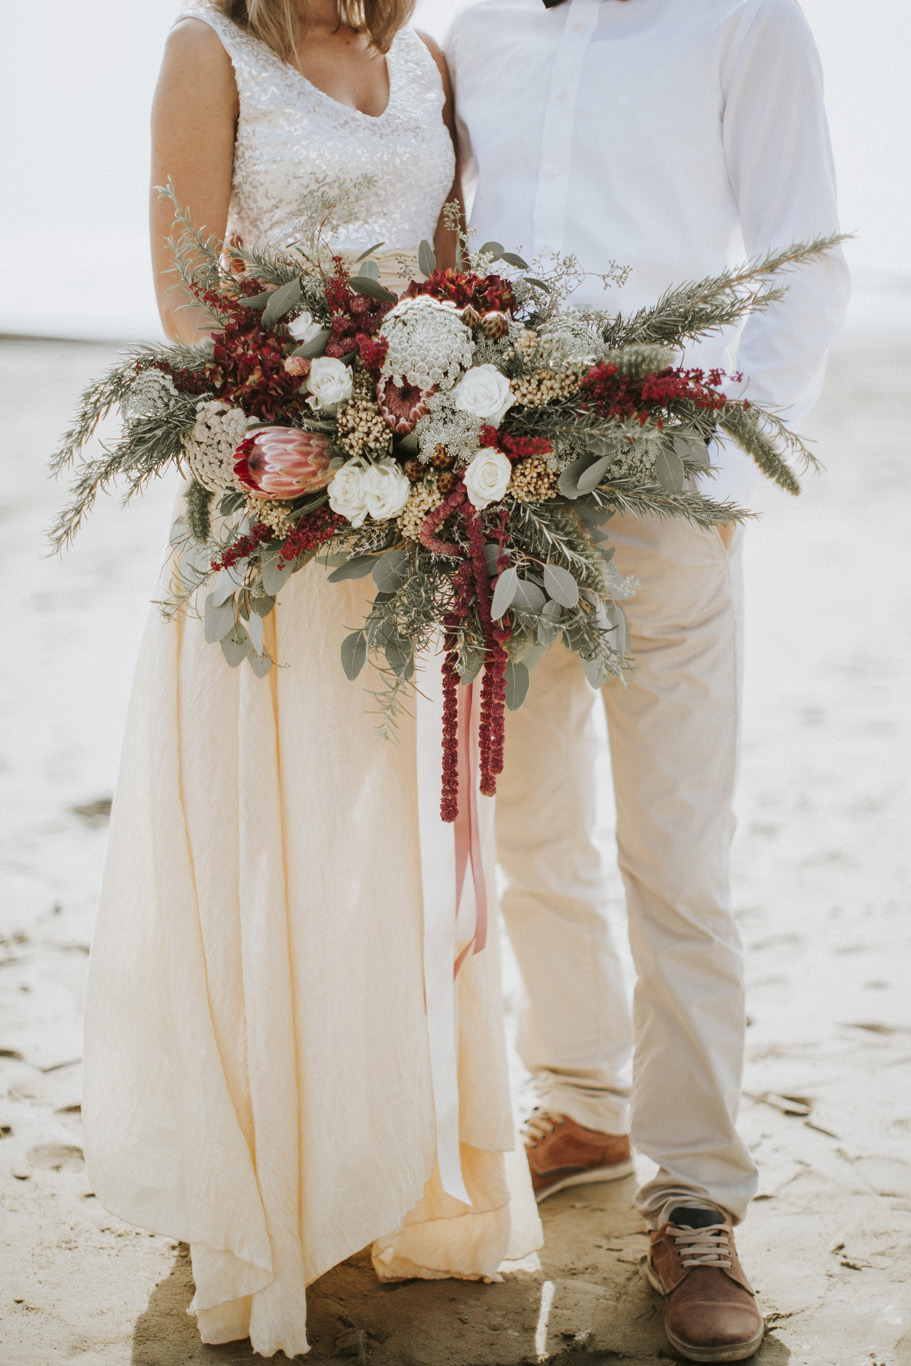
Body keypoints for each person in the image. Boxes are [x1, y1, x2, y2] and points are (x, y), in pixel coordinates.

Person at [81, 1, 540, 1357]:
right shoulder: (207, 53)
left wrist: (446, 441)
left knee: (399, 835)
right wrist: (299, 437)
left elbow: (453, 278)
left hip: (409, 517)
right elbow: (186, 290)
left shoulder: (425, 62)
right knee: (269, 826)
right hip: (271, 504)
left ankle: (396, 1165)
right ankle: (273, 1178)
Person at [445, 0, 850, 1360]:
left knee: (675, 846)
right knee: (535, 824)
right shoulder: (480, 28)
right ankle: (582, 1096)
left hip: (672, 486)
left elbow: (809, 263)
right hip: (512, 486)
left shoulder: (748, 21)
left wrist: (725, 475)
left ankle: (695, 1198)